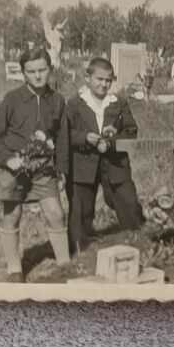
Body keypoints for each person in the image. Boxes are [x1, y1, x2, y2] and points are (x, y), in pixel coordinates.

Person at [0, 48, 70, 283]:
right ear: (23, 73)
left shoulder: (58, 100)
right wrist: (7, 159)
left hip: (43, 169)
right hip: (14, 168)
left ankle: (65, 267)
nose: (38, 76)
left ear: (50, 70)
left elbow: (63, 139)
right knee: (12, 215)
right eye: (31, 71)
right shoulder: (12, 99)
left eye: (42, 70)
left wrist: (62, 170)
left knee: (55, 212)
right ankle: (14, 269)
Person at [64, 57, 144, 250]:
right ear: (87, 78)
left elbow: (132, 132)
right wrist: (85, 138)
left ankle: (138, 239)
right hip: (83, 164)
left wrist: (114, 137)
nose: (104, 84)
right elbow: (65, 135)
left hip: (114, 163)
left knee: (128, 202)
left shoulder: (118, 103)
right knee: (80, 210)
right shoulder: (75, 104)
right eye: (99, 79)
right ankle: (78, 247)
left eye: (108, 80)